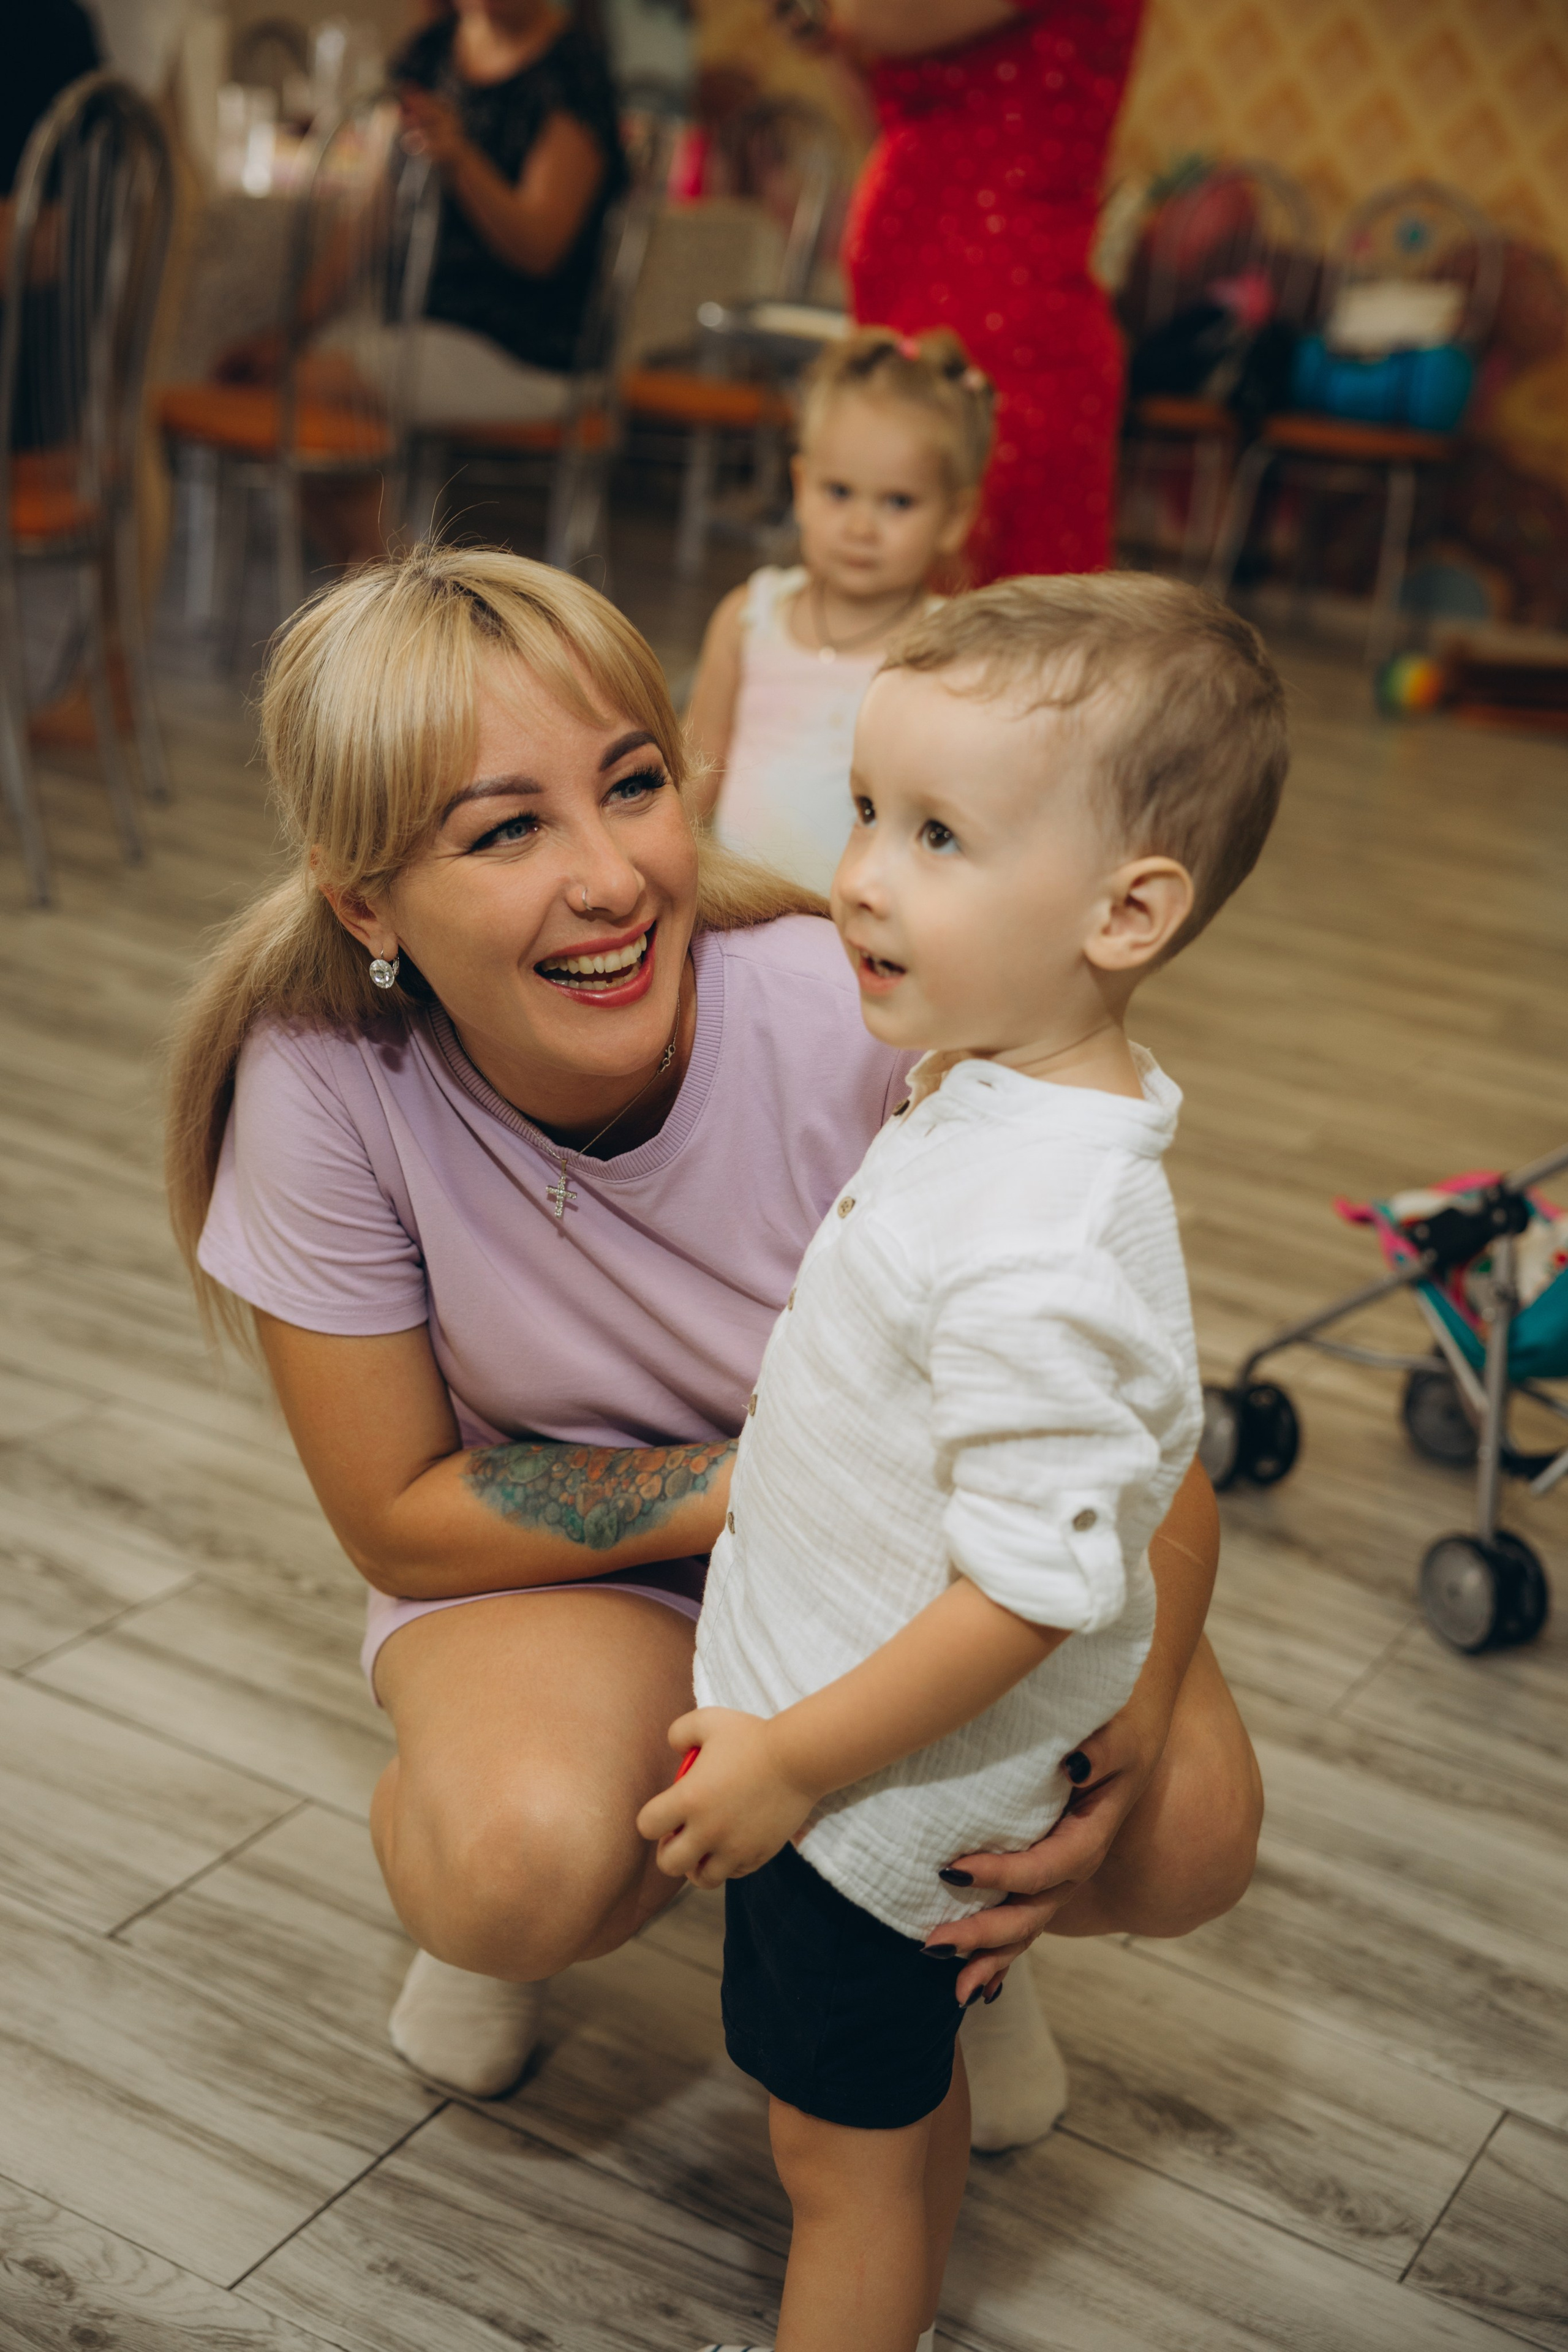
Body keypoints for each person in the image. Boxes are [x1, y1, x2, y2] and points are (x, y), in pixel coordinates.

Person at [164, 545, 1261, 2165]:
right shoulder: (320, 1084)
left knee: (1185, 1836)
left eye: (634, 785)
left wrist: (1118, 1711)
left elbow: (1122, 1438)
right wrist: (787, 1491)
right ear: (368, 902)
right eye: (506, 827)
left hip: (902, 1570)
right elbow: (399, 1513)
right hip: (581, 1575)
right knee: (521, 1858)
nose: (612, 878)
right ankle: (517, 1900)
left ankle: (938, 1923)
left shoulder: (867, 1013)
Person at [644, 573, 1286, 2352]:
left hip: (865, 1804)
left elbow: (1029, 1577)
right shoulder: (998, 1081)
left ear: (1126, 907)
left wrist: (789, 1757)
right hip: (843, 1741)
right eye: (862, 808)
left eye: (935, 833)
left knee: (826, 2154)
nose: (859, 870)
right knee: (879, 2117)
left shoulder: (1038, 1234)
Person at [217, 0, 627, 563]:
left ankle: (398, 584)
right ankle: (389, 577)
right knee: (284, 387)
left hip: (529, 352)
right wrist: (293, 328)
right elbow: (370, 215)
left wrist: (462, 162)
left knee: (308, 393)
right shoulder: (432, 54)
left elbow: (540, 249)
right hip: (423, 334)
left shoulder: (573, 72)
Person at [780, 0, 1143, 584]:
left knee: (994, 620)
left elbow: (870, 21)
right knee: (887, 581)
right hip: (908, 301)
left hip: (1008, 320)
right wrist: (828, 39)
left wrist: (830, 19)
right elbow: (893, 116)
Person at [685, 326, 991, 894]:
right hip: (735, 909)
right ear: (801, 487)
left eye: (898, 502)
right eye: (839, 492)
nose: (860, 527)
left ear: (954, 516)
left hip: (860, 927)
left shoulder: (948, 646)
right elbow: (698, 764)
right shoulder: (749, 618)